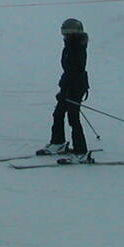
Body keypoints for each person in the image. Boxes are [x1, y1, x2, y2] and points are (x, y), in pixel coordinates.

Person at [37, 17, 90, 156]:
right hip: (67, 85)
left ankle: (80, 151)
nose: (64, 36)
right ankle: (58, 142)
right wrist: (63, 88)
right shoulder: (69, 46)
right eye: (63, 33)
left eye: (67, 33)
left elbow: (76, 71)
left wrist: (70, 90)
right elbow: (67, 70)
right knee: (58, 114)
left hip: (75, 87)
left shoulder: (77, 47)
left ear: (74, 33)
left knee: (73, 118)